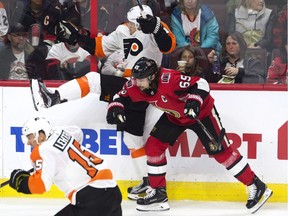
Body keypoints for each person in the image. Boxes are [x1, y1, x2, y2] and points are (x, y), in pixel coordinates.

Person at [31, 4, 176, 200]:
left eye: (132, 23)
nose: (128, 26)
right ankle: (149, 182)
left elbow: (168, 45)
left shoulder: (155, 28)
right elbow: (99, 47)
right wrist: (77, 38)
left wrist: (155, 26)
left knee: (93, 80)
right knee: (132, 140)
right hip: (132, 87)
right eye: (128, 22)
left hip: (146, 85)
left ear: (140, 22)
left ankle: (53, 97)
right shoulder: (123, 30)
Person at [106, 56, 273, 212]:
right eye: (135, 78)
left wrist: (194, 102)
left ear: (152, 77)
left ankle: (256, 185)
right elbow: (120, 96)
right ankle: (158, 194)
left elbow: (201, 83)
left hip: (201, 114)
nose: (136, 83)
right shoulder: (136, 84)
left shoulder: (171, 79)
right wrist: (115, 108)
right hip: (175, 117)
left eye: (140, 79)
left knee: (221, 151)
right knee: (154, 146)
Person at [9, 116, 122, 216]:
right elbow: (78, 133)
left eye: (30, 137)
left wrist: (21, 183)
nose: (28, 142)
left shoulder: (41, 151)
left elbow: (41, 185)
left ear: (41, 135)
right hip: (112, 189)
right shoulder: (60, 131)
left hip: (92, 199)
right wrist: (63, 158)